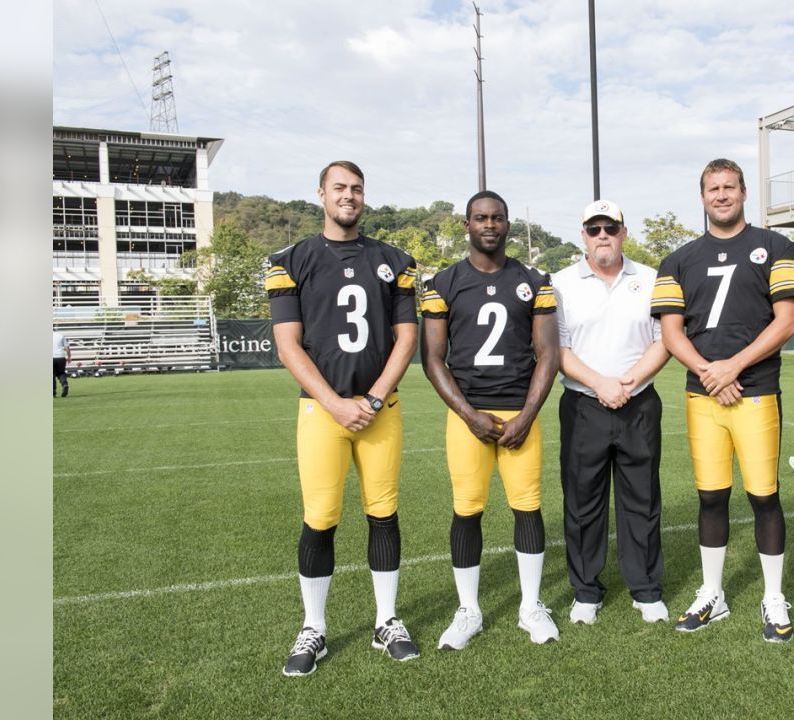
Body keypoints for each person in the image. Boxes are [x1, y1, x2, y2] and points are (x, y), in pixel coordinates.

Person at [267, 161, 421, 677]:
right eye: (340, 188)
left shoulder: (395, 259)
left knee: (384, 512)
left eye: (356, 188)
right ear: (321, 195)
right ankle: (314, 626)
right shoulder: (291, 259)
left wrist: (374, 399)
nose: (349, 196)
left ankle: (387, 619)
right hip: (321, 410)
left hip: (381, 408)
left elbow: (406, 338)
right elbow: (288, 345)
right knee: (320, 517)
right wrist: (335, 403)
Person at [651, 158, 794, 642]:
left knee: (764, 497)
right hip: (704, 396)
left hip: (755, 392)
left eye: (730, 187)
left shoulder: (778, 247)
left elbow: (787, 322)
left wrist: (732, 368)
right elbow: (671, 331)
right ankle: (712, 594)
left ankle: (773, 594)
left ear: (743, 193)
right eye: (713, 188)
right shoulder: (678, 260)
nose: (721, 195)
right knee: (711, 497)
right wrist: (708, 372)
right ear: (702, 197)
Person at [420, 190, 562, 649]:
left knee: (528, 507)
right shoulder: (443, 283)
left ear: (506, 224)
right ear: (467, 224)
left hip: (520, 412)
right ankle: (469, 609)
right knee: (467, 510)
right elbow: (433, 359)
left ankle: (530, 605)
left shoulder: (534, 279)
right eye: (480, 217)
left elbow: (548, 354)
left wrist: (526, 415)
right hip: (469, 417)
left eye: (498, 218)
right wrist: (467, 414)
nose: (490, 225)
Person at [551, 199, 672, 626]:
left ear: (624, 232)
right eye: (594, 228)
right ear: (582, 235)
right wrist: (601, 384)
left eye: (610, 228)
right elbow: (557, 349)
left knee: (641, 498)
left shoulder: (652, 278)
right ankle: (586, 590)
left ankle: (645, 588)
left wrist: (628, 382)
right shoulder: (560, 282)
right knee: (583, 502)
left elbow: (664, 339)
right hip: (584, 404)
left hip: (638, 402)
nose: (603, 235)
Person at [53, 327, 71, 397]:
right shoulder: (60, 335)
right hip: (61, 357)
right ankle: (64, 384)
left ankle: (53, 392)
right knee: (61, 373)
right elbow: (67, 348)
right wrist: (69, 357)